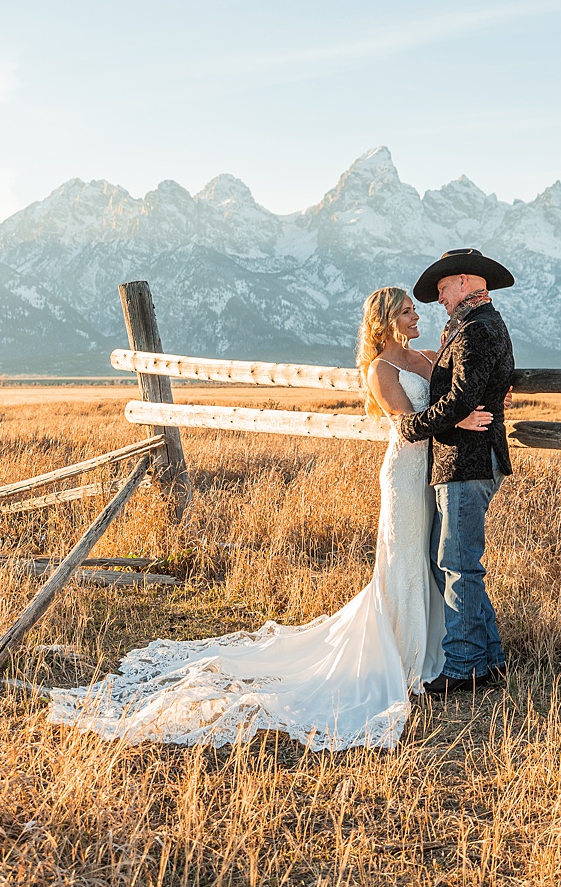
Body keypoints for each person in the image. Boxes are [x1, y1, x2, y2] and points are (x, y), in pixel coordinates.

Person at [46, 287, 494, 749]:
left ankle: (444, 647)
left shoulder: (427, 357)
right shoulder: (381, 369)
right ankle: (404, 652)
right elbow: (407, 423)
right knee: (403, 559)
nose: (416, 316)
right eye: (406, 311)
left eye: (415, 309)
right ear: (385, 321)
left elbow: (461, 390)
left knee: (429, 558)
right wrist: (456, 421)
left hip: (435, 473)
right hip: (405, 473)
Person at [396, 248, 517, 695]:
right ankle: (490, 659)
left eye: (443, 289)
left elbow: (462, 398)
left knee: (458, 564)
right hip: (463, 458)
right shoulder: (475, 325)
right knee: (449, 559)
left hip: (469, 459)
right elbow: (478, 389)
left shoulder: (478, 329)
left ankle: (465, 665)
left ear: (464, 281)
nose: (439, 299)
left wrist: (411, 426)